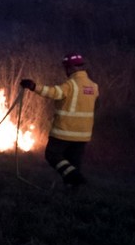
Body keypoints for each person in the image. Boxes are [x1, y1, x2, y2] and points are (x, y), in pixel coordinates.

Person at [21, 53, 100, 188]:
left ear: (72, 68)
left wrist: (34, 86)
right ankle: (73, 192)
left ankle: (76, 177)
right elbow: (95, 106)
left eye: (67, 68)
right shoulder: (94, 87)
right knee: (73, 162)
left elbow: (53, 92)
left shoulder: (71, 85)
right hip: (83, 134)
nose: (66, 71)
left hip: (65, 131)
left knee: (52, 155)